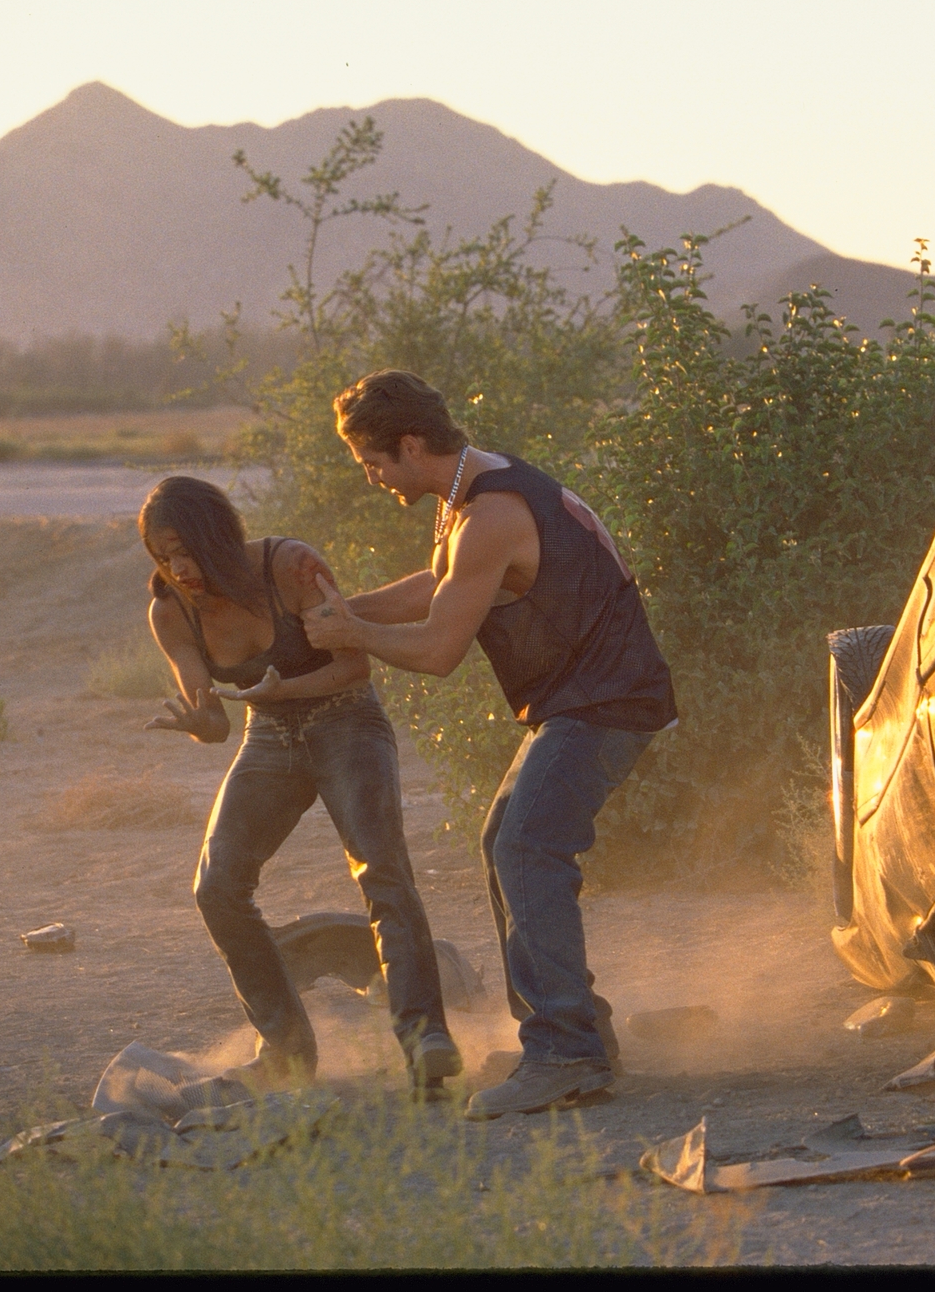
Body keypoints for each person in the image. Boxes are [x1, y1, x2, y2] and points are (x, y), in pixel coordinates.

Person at [302, 369, 675, 1121]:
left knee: (527, 847)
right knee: (504, 836)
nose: (373, 478)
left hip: (605, 701)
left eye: (374, 462)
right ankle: (574, 1031)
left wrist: (351, 635)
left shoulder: (492, 513)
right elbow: (436, 586)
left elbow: (440, 647)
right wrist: (338, 612)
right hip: (582, 699)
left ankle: (566, 1052)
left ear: (411, 444)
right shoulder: (472, 491)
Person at [138, 476, 462, 1093]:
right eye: (163, 556)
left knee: (382, 870)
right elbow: (212, 722)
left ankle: (426, 1041)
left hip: (347, 721)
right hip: (270, 739)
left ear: (219, 535)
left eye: (186, 549)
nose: (178, 568)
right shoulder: (170, 610)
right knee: (218, 886)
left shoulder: (290, 565)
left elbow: (353, 663)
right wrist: (200, 721)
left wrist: (283, 689)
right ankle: (284, 1051)